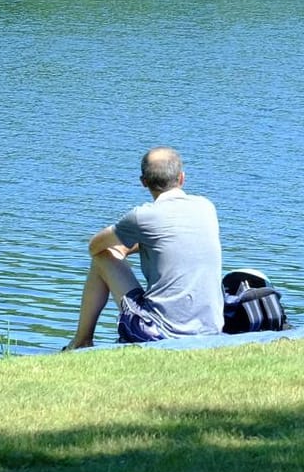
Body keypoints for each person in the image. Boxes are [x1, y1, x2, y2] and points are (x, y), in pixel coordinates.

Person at [63, 147, 223, 350]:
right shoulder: (206, 207)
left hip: (160, 333)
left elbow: (95, 246)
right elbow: (171, 240)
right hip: (211, 329)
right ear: (182, 178)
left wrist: (122, 250)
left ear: (143, 182)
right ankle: (82, 340)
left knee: (102, 257)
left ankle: (81, 340)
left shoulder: (142, 216)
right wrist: (134, 246)